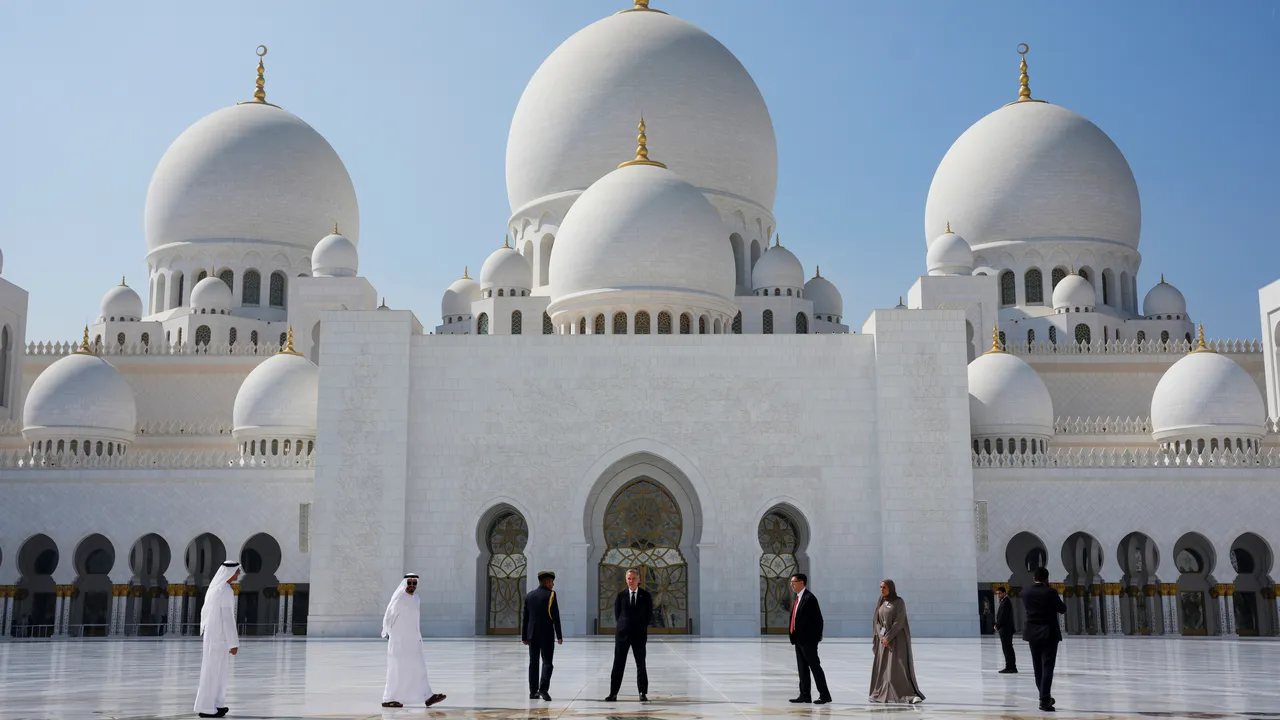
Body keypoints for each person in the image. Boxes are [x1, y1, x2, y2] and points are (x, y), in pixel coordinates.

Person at [380, 573, 446, 709]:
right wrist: (389, 633)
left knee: (419, 667)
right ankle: (389, 698)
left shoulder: (416, 598)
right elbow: (389, 617)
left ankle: (427, 696)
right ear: (405, 583)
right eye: (409, 583)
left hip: (413, 641)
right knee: (397, 670)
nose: (411, 586)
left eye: (414, 583)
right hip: (399, 642)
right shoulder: (399, 599)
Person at [194, 561, 240, 718]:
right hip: (219, 638)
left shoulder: (215, 588)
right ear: (230, 572)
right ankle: (207, 708)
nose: (238, 574)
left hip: (214, 637)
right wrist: (233, 643)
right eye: (237, 571)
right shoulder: (225, 590)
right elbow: (227, 618)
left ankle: (216, 704)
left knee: (217, 672)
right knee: (214, 673)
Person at [869, 579, 924, 704]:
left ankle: (908, 694)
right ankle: (881, 692)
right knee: (884, 668)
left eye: (884, 587)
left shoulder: (899, 602)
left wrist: (888, 638)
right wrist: (882, 638)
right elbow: (876, 621)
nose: (881, 589)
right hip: (883, 642)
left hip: (897, 640)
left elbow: (899, 622)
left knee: (898, 667)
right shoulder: (881, 602)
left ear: (891, 588)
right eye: (880, 587)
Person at [1022, 567, 1066, 712]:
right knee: (1047, 665)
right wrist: (1051, 592)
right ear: (1047, 578)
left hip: (1032, 633)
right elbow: (1062, 609)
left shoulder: (1026, 592)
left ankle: (1043, 695)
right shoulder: (1050, 592)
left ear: (1034, 578)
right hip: (1048, 633)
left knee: (1037, 666)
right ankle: (1044, 699)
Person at [607, 568, 653, 702]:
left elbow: (649, 615)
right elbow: (618, 615)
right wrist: (624, 627)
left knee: (641, 664)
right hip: (622, 636)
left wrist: (640, 626)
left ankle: (642, 692)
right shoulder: (621, 595)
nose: (631, 581)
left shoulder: (646, 596)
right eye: (628, 578)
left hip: (639, 635)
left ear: (638, 580)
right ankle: (613, 693)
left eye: (633, 578)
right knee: (618, 664)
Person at [787, 573, 832, 705]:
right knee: (802, 669)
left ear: (802, 583)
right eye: (791, 583)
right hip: (799, 639)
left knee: (814, 667)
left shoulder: (809, 598)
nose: (792, 585)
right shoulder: (797, 598)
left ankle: (824, 695)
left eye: (794, 582)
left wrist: (817, 637)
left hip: (808, 640)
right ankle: (805, 694)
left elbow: (818, 619)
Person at [523, 570, 563, 701]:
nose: (553, 584)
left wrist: (524, 636)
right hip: (546, 634)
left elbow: (525, 618)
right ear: (547, 582)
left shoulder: (529, 595)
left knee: (533, 663)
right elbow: (555, 616)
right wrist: (559, 635)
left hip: (532, 634)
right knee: (547, 662)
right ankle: (543, 689)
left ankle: (533, 692)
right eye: (552, 582)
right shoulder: (551, 595)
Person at [994, 585, 1018, 673]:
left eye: (1000, 593)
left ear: (1004, 593)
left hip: (1006, 629)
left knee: (1007, 648)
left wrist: (997, 625)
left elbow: (1003, 616)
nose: (998, 595)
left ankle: (1010, 667)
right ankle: (1010, 666)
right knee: (1007, 648)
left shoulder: (1006, 602)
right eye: (997, 594)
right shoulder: (1004, 601)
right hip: (1005, 629)